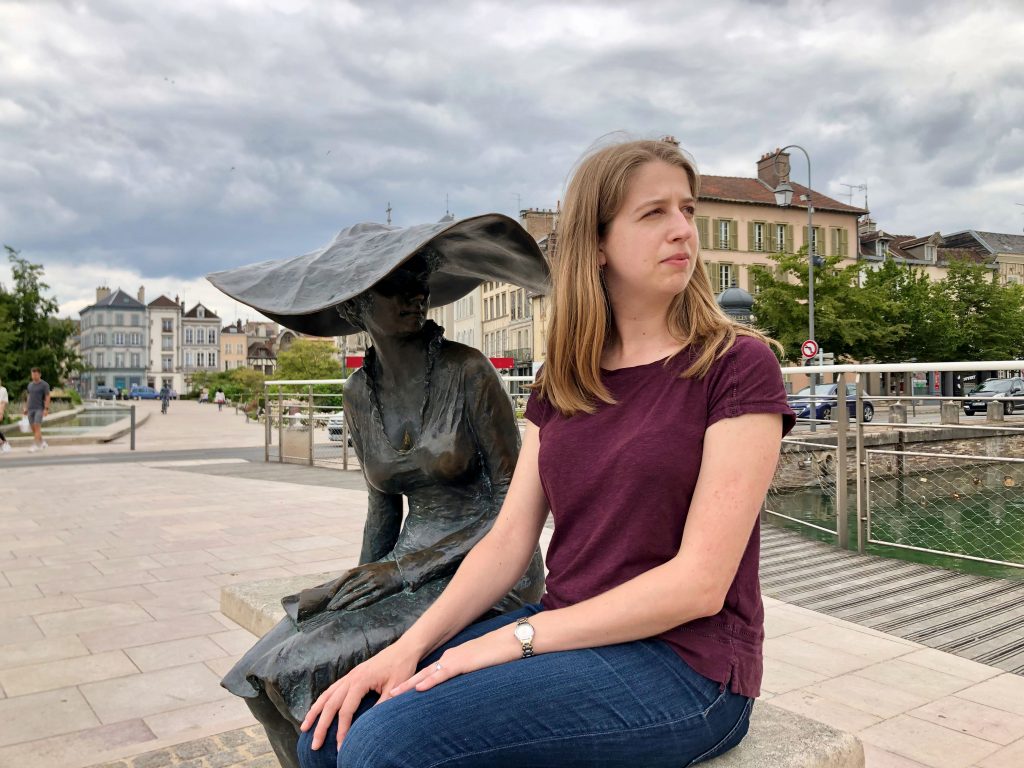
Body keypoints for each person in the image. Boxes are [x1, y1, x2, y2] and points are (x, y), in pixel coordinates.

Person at [291, 139, 796, 768]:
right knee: (327, 730)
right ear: (599, 244)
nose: (682, 231)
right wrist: (407, 647)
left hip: (687, 667)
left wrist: (513, 640)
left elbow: (698, 585)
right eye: (654, 213)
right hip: (572, 630)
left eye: (687, 211)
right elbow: (506, 543)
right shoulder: (567, 377)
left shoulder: (736, 366)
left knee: (383, 747)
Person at [211, 214, 550, 768]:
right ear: (354, 307)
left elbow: (516, 507)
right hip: (407, 565)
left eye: (419, 279)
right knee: (255, 679)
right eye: (394, 284)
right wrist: (355, 586)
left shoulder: (469, 373)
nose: (414, 294)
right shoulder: (357, 392)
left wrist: (400, 574)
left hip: (488, 570)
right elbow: (382, 509)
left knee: (293, 671)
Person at [24, 367, 50, 453]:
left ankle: (35, 445)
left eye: (35, 374)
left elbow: (47, 397)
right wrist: (26, 407)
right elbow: (29, 397)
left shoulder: (44, 385)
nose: (34, 376)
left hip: (39, 408)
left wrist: (46, 409)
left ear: (39, 374)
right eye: (32, 374)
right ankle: (42, 442)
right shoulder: (30, 385)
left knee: (37, 426)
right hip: (30, 409)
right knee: (33, 428)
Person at [0, 376, 10, 453]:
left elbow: (3, 403)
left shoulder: (3, 390)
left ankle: (3, 443)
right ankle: (3, 443)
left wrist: (1, 413)